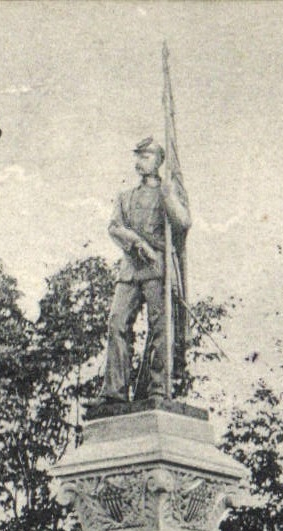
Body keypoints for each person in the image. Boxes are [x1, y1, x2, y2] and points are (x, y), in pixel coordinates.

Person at [99, 136, 191, 405]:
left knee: (160, 328)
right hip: (130, 269)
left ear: (159, 161)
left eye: (146, 156)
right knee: (117, 323)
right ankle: (114, 391)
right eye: (138, 156)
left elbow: (184, 224)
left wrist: (168, 199)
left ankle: (157, 388)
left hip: (157, 269)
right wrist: (136, 242)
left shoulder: (167, 193)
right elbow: (114, 227)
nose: (140, 161)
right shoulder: (124, 197)